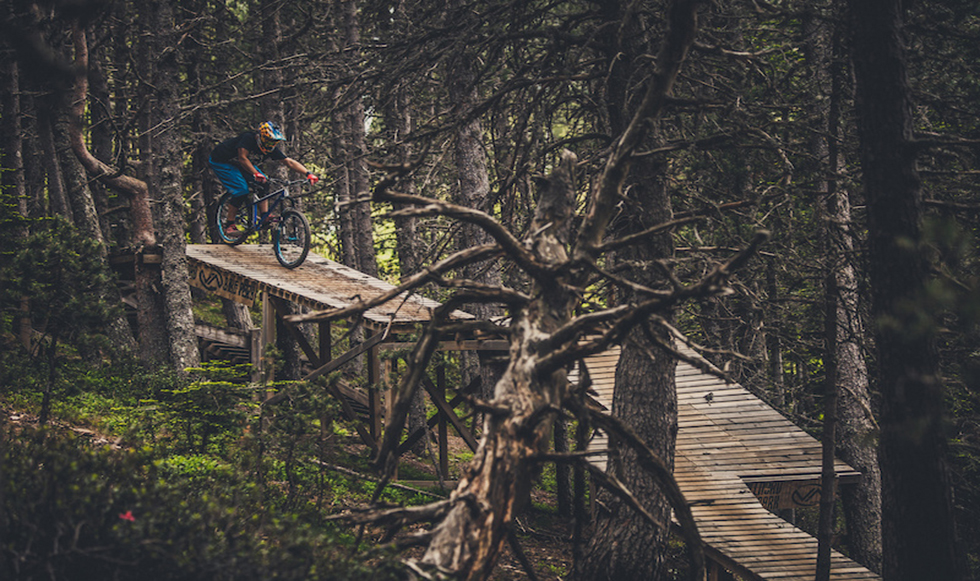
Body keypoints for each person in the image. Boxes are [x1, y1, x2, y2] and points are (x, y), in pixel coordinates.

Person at [209, 121, 319, 234]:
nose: (271, 144)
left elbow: (288, 162)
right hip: (221, 161)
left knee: (264, 182)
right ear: (261, 137)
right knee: (241, 190)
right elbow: (242, 158)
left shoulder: (270, 148)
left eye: (274, 141)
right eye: (269, 140)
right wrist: (255, 173)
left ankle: (264, 215)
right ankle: (229, 224)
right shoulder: (248, 138)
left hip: (240, 162)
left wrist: (308, 173)